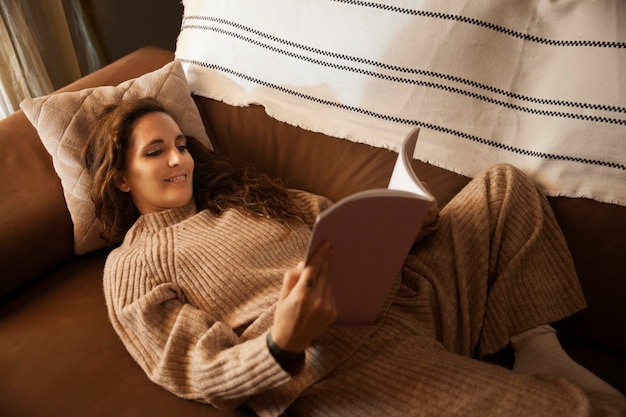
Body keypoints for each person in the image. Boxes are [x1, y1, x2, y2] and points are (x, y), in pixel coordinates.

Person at [83, 97, 625, 416]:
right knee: (564, 411)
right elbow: (192, 367)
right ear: (120, 178)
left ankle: (536, 346)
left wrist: (409, 217)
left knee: (503, 188)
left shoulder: (246, 194)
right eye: (156, 152)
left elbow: (346, 227)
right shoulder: (133, 265)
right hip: (339, 361)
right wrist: (281, 343)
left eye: (181, 144)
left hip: (406, 291)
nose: (180, 159)